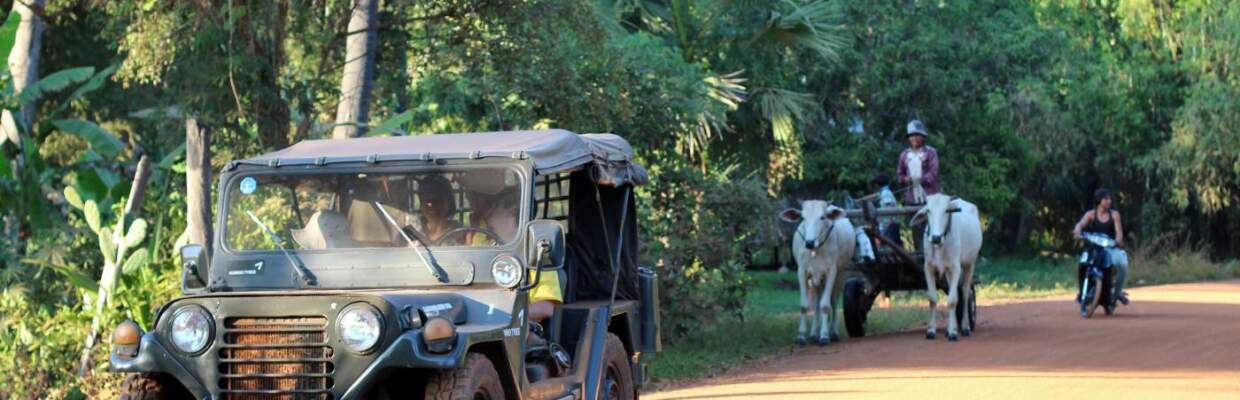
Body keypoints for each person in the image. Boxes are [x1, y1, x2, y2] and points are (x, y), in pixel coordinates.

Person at [1072, 188, 1130, 305]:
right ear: (1099, 200)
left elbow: (1119, 232)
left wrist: (1118, 241)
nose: (1109, 201)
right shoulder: (1091, 214)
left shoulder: (1114, 215)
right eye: (1106, 199)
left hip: (1110, 248)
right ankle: (1082, 292)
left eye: (1110, 199)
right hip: (1093, 248)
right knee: (1082, 264)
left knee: (1122, 264)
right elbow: (1080, 224)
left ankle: (1117, 293)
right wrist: (1077, 231)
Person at [897, 119, 940, 251]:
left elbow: (933, 174)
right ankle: (921, 257)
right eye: (911, 136)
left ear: (922, 137)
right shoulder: (904, 155)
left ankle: (936, 255)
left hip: (930, 198)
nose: (914, 138)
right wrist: (906, 179)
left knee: (933, 229)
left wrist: (920, 179)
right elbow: (899, 175)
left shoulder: (931, 153)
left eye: (917, 135)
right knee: (917, 232)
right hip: (912, 200)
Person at [415, 175, 463, 244]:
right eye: (426, 200)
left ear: (449, 203)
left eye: (437, 200)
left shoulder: (462, 234)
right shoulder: (412, 235)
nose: (431, 205)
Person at [872, 173, 902, 248]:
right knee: (893, 245)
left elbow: (888, 208)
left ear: (877, 184)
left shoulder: (885, 193)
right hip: (890, 223)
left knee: (891, 246)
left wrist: (888, 223)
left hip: (890, 224)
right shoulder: (885, 192)